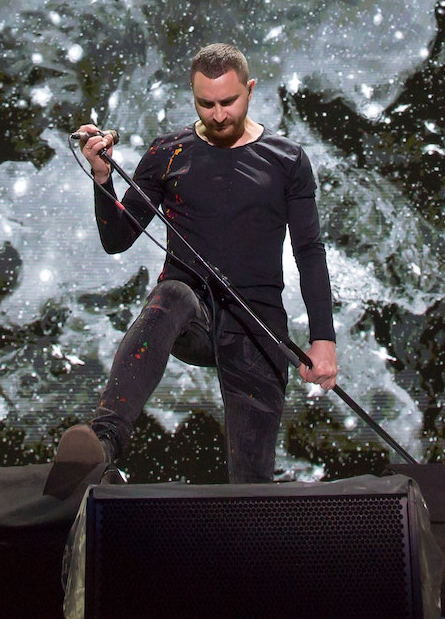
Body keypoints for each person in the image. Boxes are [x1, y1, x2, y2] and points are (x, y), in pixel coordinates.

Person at [49, 43, 337, 492]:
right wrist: (103, 181)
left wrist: (323, 341)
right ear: (192, 96)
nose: (219, 114)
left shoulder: (288, 160)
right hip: (193, 320)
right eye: (206, 103)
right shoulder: (168, 153)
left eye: (229, 101)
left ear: (250, 89)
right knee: (174, 293)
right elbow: (117, 238)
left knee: (252, 488)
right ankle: (103, 441)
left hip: (258, 330)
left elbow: (309, 251)